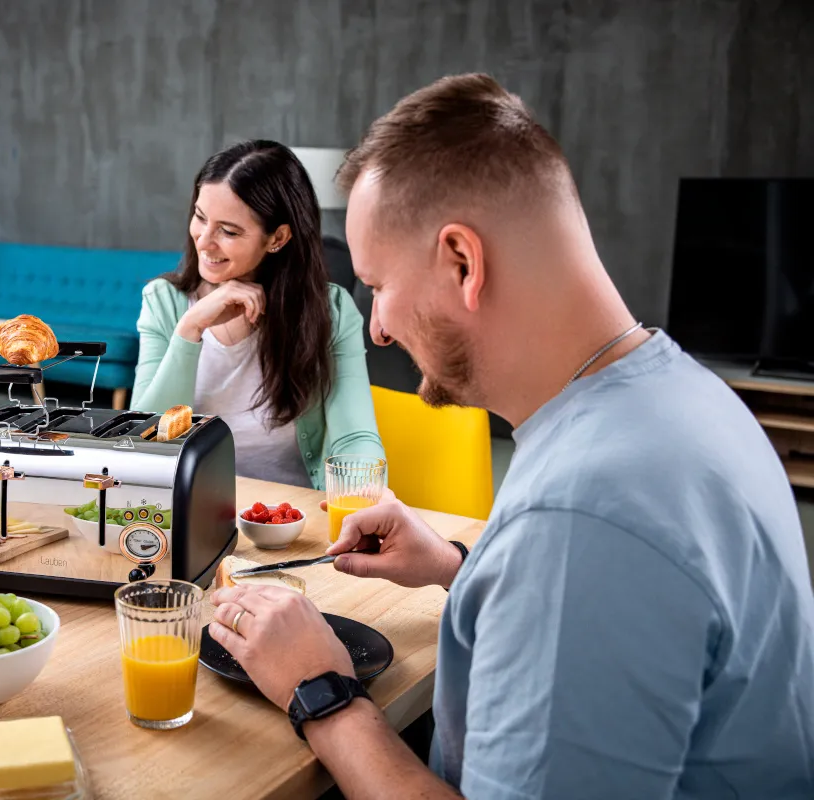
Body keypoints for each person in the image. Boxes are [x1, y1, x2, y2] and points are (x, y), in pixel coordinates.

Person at [208, 75, 814, 798]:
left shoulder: (579, 519)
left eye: (378, 285)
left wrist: (320, 691)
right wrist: (463, 565)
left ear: (463, 262)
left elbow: (584, 552)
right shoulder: (681, 395)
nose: (377, 327)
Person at [132, 140, 383, 489]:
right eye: (200, 217)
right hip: (191, 513)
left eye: (228, 231)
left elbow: (354, 438)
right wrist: (190, 329)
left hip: (291, 519)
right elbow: (143, 440)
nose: (204, 241)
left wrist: (362, 497)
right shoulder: (164, 302)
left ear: (277, 237)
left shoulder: (332, 311)